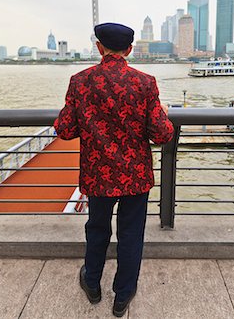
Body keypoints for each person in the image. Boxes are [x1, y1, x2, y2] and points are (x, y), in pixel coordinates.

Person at [54, 22, 174, 317]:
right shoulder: (145, 83)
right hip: (135, 176)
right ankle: (123, 296)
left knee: (97, 230)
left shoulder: (80, 81)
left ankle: (92, 283)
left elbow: (66, 130)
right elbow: (161, 134)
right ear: (129, 50)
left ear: (99, 47)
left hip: (98, 176)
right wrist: (165, 116)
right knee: (131, 234)